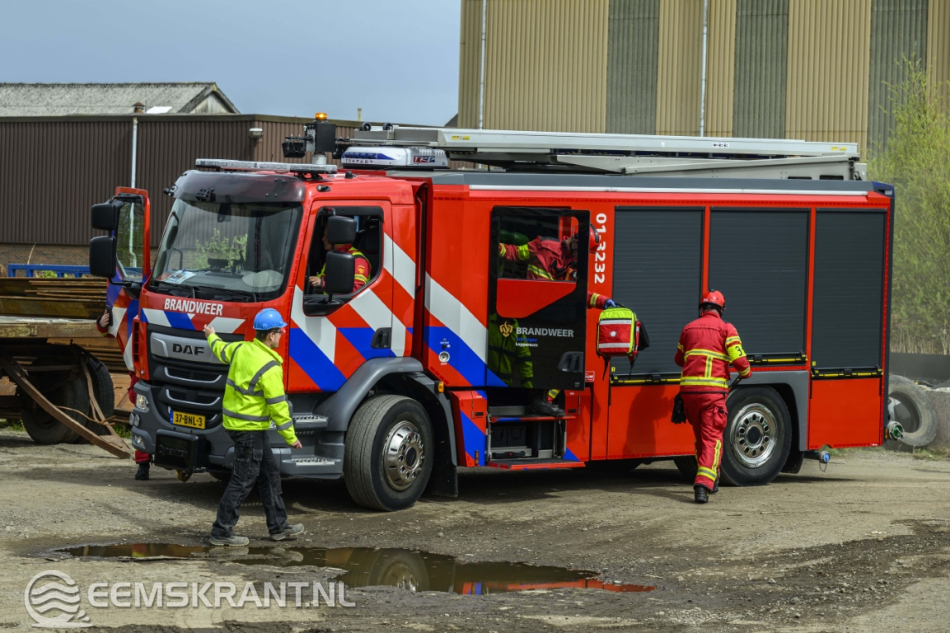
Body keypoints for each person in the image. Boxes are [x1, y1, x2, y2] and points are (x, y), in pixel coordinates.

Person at [204, 308, 305, 546]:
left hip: (242, 426)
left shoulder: (241, 349)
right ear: (270, 335)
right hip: (248, 429)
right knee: (243, 479)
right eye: (280, 331)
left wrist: (211, 335)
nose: (282, 335)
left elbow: (220, 349)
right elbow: (278, 406)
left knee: (269, 474)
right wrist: (290, 437)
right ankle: (221, 531)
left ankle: (278, 526)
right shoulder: (270, 367)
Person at [498, 226, 617, 415]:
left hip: (550, 319)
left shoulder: (573, 265)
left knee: (570, 361)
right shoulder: (543, 246)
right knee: (542, 359)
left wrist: (603, 301)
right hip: (531, 316)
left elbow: (579, 294)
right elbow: (514, 253)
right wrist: (493, 247)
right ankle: (538, 400)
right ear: (575, 241)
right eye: (583, 251)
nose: (583, 257)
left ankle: (544, 400)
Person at [673, 290, 751, 504]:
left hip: (689, 395)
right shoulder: (727, 328)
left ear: (702, 308)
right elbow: (739, 360)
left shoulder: (688, 328)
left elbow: (679, 360)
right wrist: (746, 372)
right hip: (712, 395)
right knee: (712, 439)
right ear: (721, 309)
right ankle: (703, 484)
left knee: (701, 439)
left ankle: (712, 478)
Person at [96, 308, 150, 481]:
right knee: (141, 421)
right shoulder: (128, 311)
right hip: (140, 373)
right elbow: (111, 331)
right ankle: (143, 464)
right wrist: (101, 324)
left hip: (156, 372)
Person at [308, 229, 371, 294]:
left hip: (339, 300)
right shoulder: (334, 255)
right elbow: (324, 277)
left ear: (339, 238)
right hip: (328, 298)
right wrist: (311, 280)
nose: (323, 239)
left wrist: (323, 283)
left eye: (327, 236)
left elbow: (356, 290)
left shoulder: (358, 260)